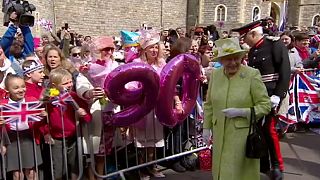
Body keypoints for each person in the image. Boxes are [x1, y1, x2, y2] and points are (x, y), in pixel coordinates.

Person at [202, 37, 271, 180]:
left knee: (239, 174)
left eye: (236, 58)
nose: (233, 63)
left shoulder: (252, 74)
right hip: (220, 133)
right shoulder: (215, 75)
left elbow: (265, 105)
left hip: (242, 136)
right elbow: (209, 104)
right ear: (221, 60)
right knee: (222, 172)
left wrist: (243, 112)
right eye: (228, 59)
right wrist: (206, 127)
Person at [232, 20, 291, 180]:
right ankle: (263, 163)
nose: (243, 41)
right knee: (258, 129)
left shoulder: (275, 45)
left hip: (270, 94)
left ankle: (278, 165)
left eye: (244, 37)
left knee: (269, 130)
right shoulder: (253, 51)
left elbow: (285, 71)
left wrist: (278, 95)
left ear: (253, 34)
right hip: (255, 96)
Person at [43, 68, 92, 180]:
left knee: (75, 167)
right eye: (65, 83)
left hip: (74, 138)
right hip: (56, 139)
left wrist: (83, 114)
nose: (70, 84)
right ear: (55, 85)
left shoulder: (74, 96)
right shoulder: (48, 96)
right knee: (59, 170)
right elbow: (41, 116)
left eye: (71, 81)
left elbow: (88, 117)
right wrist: (46, 132)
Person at [1, 74, 45, 180]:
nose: (21, 90)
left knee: (31, 172)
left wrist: (42, 117)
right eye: (16, 88)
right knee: (17, 174)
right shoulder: (3, 105)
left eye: (23, 86)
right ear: (7, 89)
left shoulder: (31, 100)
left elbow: (38, 124)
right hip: (11, 140)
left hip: (29, 138)